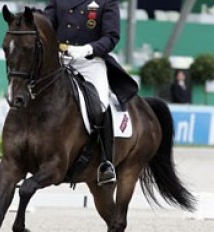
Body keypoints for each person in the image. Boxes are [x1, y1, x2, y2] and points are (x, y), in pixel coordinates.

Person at [45, 0, 138, 185]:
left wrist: (87, 49)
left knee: (100, 105)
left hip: (90, 63)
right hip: (58, 60)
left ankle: (105, 162)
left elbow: (111, 36)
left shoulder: (106, 2)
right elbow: (47, 25)